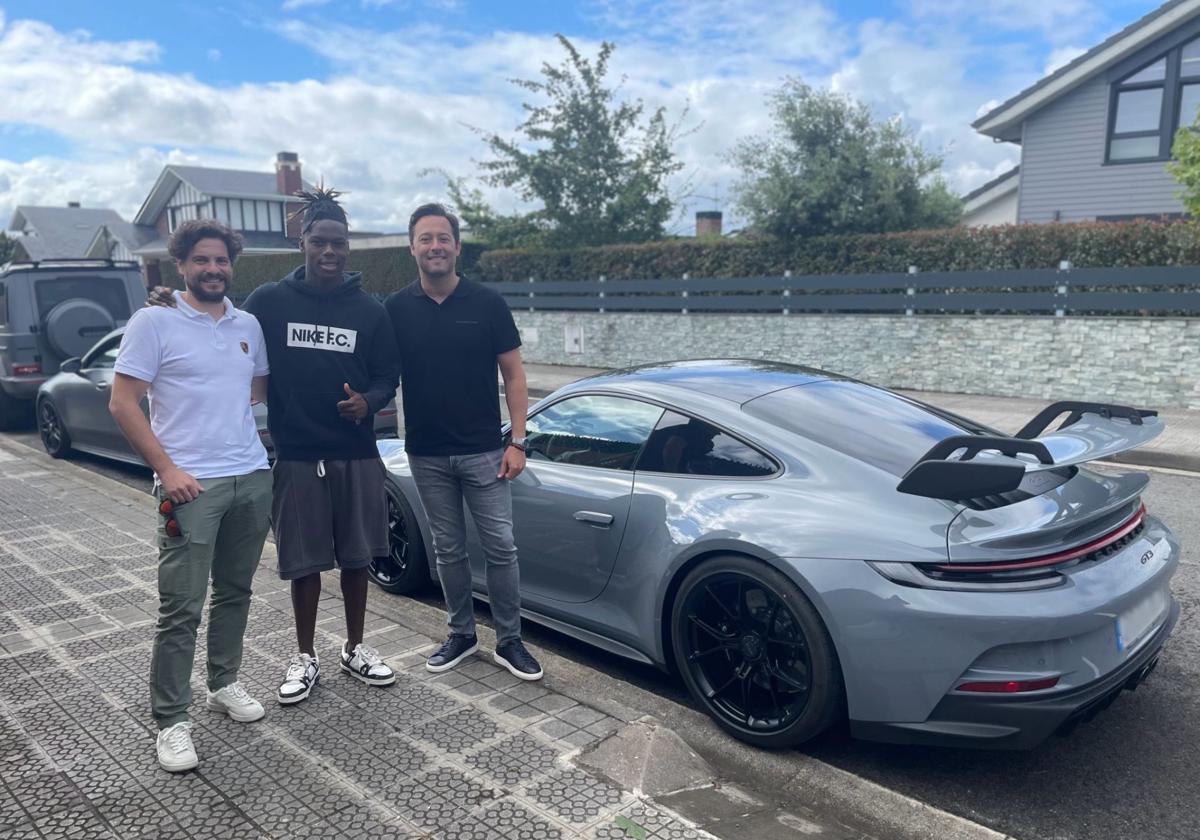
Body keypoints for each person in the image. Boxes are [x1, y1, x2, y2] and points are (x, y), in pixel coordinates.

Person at [149, 188, 400, 705]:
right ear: (302, 243)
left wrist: (369, 403)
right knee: (304, 562)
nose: (329, 252)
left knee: (358, 559)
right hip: (296, 456)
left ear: (348, 247)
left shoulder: (370, 311)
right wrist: (168, 303)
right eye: (319, 242)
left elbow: (386, 375)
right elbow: (216, 318)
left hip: (355, 454)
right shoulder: (269, 301)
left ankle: (355, 647)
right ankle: (305, 655)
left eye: (338, 243)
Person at [110, 220, 273, 772]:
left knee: (236, 592)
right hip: (189, 487)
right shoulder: (153, 322)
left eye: (221, 261)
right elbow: (124, 403)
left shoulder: (248, 323)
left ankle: (223, 682)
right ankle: (171, 720)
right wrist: (168, 469)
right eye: (201, 260)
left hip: (251, 476)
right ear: (182, 265)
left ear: (232, 265)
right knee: (180, 607)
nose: (213, 269)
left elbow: (255, 392)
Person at [384, 203, 543, 681]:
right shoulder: (395, 309)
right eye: (425, 238)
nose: (435, 246)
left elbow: (514, 376)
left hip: (484, 451)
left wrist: (518, 440)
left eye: (443, 238)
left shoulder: (487, 303)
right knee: (447, 549)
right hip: (427, 452)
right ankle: (461, 633)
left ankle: (510, 641)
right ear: (412, 248)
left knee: (501, 546)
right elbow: (378, 374)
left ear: (457, 245)